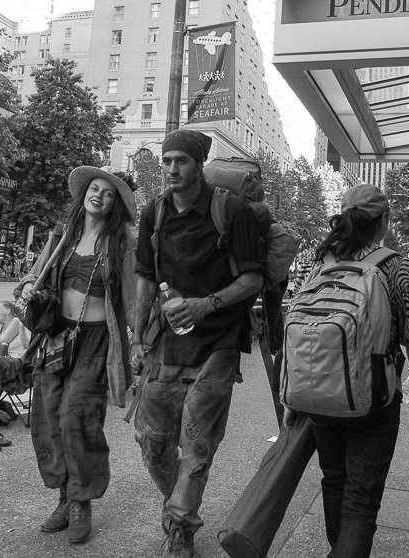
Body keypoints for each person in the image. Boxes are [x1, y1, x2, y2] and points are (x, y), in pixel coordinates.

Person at [130, 130, 266, 558]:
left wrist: (206, 305)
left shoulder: (230, 210)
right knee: (152, 444)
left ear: (199, 164)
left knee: (197, 442)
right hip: (166, 343)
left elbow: (253, 278)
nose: (172, 169)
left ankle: (180, 526)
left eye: (181, 161)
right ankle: (179, 505)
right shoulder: (154, 212)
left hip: (218, 344)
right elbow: (145, 278)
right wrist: (137, 337)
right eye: (167, 160)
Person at [290, 183, 409, 558]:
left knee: (334, 480)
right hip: (375, 396)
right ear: (384, 221)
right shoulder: (397, 267)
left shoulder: (319, 264)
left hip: (319, 392)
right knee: (361, 498)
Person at [19, 164, 137, 546]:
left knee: (77, 418)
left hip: (97, 342)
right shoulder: (63, 234)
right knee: (50, 417)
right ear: (84, 193)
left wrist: (143, 344)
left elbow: (134, 299)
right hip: (56, 337)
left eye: (108, 192)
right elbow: (34, 275)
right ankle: (65, 497)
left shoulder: (122, 242)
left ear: (115, 203)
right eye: (95, 188)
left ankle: (82, 500)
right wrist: (28, 288)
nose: (98, 195)